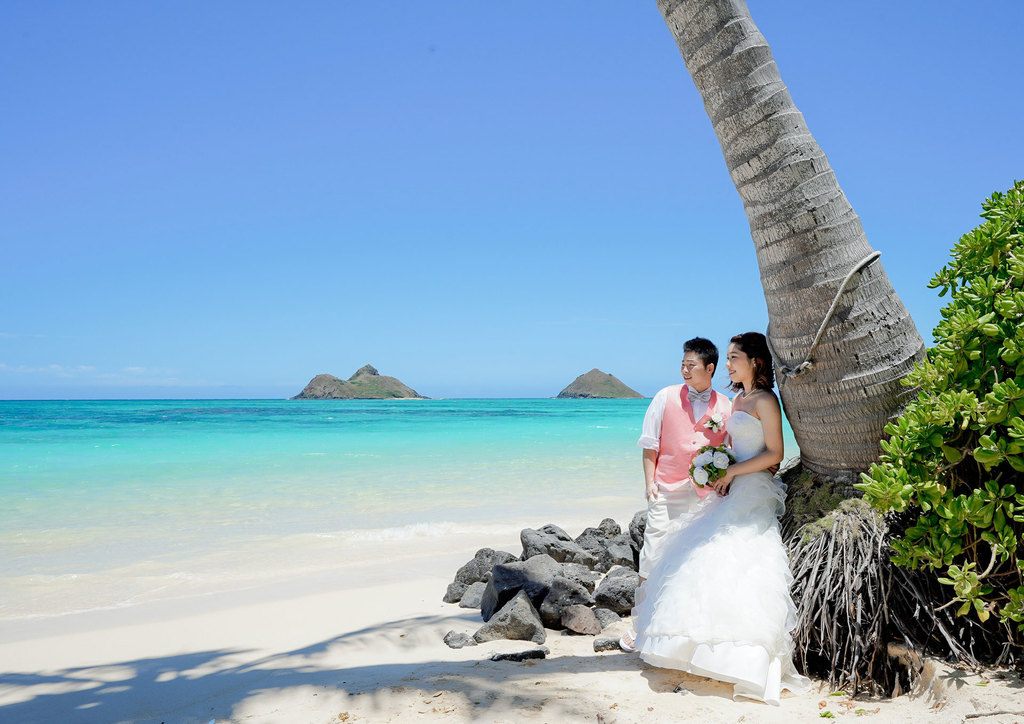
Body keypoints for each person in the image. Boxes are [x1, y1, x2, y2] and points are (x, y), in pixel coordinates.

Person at [630, 332, 810, 705]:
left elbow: (775, 455)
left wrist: (731, 471)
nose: (728, 365)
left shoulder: (764, 400)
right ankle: (697, 650)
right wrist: (718, 467)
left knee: (744, 563)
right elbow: (727, 445)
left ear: (755, 362)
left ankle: (744, 657)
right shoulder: (738, 400)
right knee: (700, 560)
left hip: (752, 488)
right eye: (726, 358)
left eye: (734, 358)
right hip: (728, 486)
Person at [619, 337, 732, 652]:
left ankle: (686, 628)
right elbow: (649, 443)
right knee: (653, 556)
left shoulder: (725, 405)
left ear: (709, 368)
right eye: (682, 364)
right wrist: (649, 483)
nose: (684, 370)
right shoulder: (665, 397)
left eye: (691, 365)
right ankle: (640, 627)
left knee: (696, 560)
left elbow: (730, 450)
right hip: (666, 491)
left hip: (706, 497)